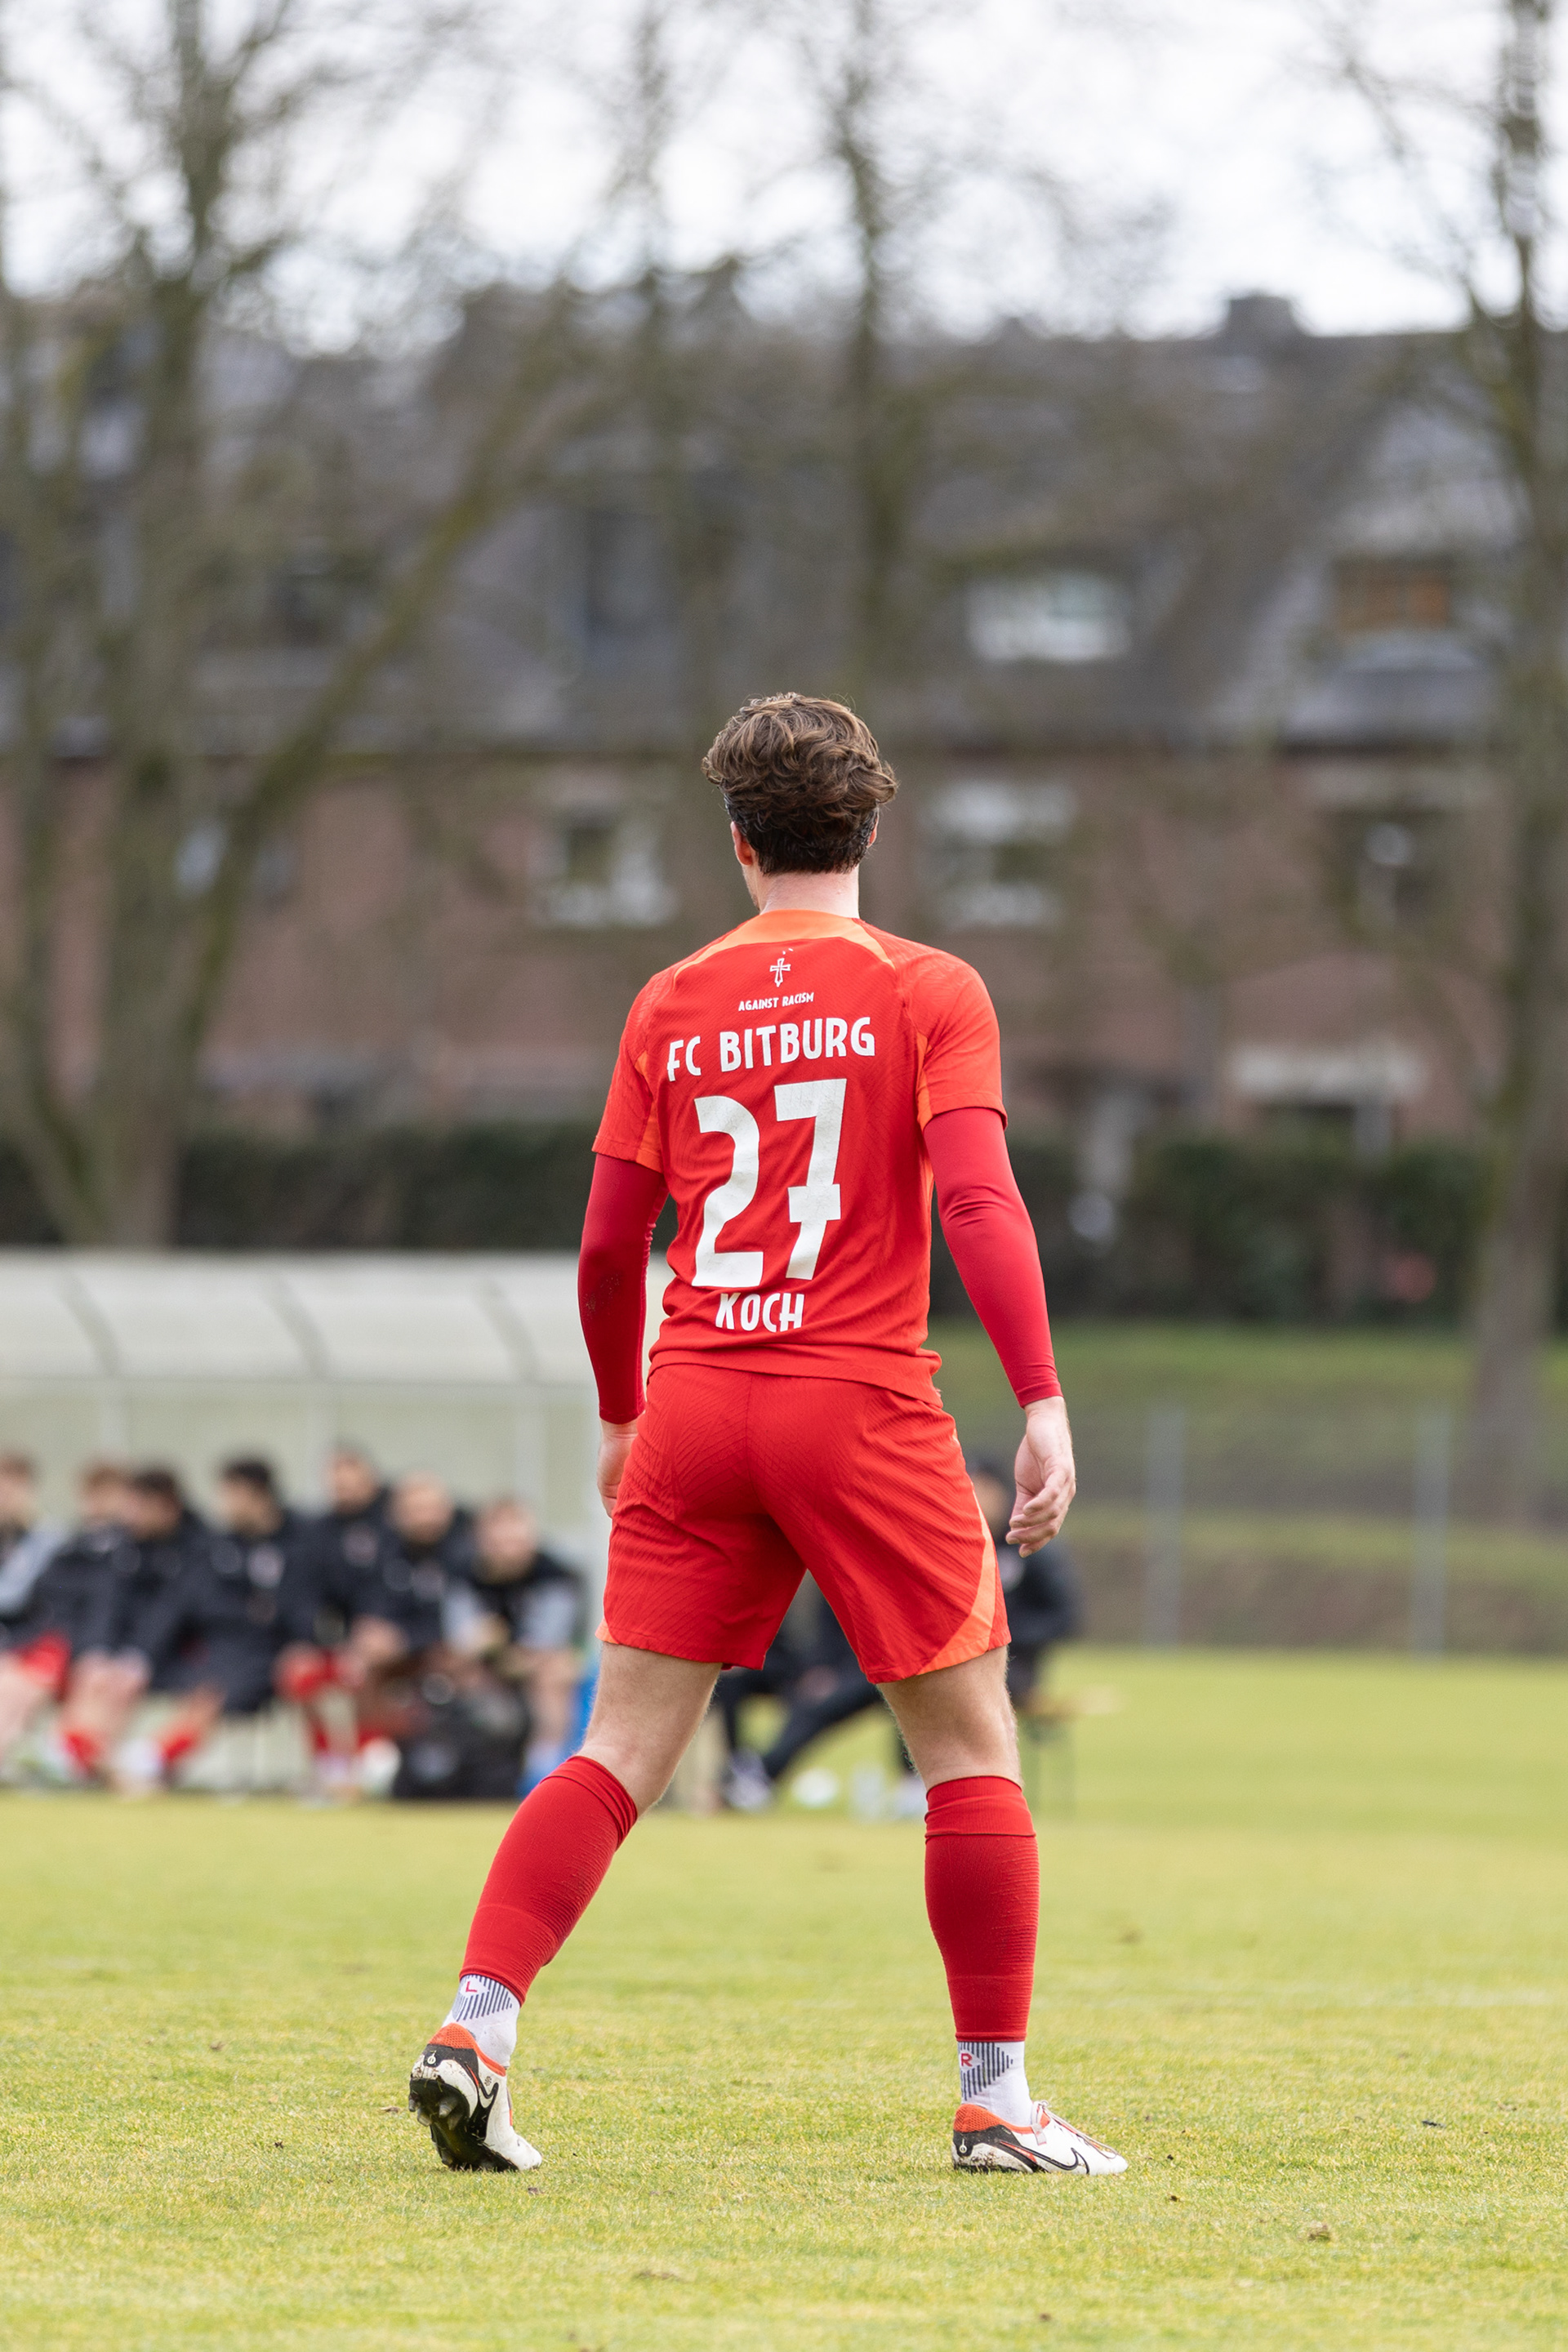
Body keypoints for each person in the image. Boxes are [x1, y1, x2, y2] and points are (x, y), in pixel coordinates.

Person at [408, 691, 1124, 2180]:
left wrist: (621, 1416)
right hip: (855, 1397)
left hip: (696, 1395)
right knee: (970, 1746)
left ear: (739, 845)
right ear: (870, 831)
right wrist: (1043, 1399)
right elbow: (978, 1202)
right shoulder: (930, 987)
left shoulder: (670, 998)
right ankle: (996, 2095)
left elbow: (611, 1251)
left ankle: (477, 2023)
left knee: (616, 1747)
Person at [114, 1457, 319, 1793]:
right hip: (223, 1649)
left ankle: (147, 1761)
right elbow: (183, 1605)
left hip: (273, 1653)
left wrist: (299, 1636)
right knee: (201, 1685)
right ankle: (147, 1761)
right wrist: (141, 1655)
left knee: (218, 1690)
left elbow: (304, 1606)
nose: (223, 1504)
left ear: (258, 1496)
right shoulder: (218, 1547)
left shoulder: (299, 1543)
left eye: (231, 1495)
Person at [279, 1470, 467, 1793]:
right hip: (388, 1660)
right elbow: (366, 1606)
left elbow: (460, 1621)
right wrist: (365, 1637)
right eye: (415, 1508)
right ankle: (343, 1770)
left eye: (431, 1507)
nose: (425, 1517)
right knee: (310, 1672)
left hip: (444, 1658)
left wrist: (404, 1640)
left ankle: (392, 1763)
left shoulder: (465, 1554)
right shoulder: (384, 1555)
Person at [42, 1465, 212, 1784]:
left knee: (124, 1685)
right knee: (95, 1678)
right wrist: (97, 1651)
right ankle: (78, 1758)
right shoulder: (126, 1544)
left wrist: (139, 1657)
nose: (129, 1514)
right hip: (128, 1649)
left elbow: (173, 1612)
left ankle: (92, 1759)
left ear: (164, 1506)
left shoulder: (199, 1547)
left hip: (180, 1653)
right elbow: (107, 1603)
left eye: (138, 1506)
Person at [0, 1461, 127, 1777]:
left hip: (90, 1649)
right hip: (52, 1643)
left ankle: (70, 1758)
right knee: (12, 1686)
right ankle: (65, 1758)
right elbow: (48, 1601)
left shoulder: (53, 1542)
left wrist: (97, 1650)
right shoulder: (72, 1548)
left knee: (21, 1687)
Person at [451, 1499, 586, 1793]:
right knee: (454, 1669)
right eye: (498, 1541)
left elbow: (549, 1642)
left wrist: (500, 1649)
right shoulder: (465, 1574)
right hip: (487, 1666)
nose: (508, 1549)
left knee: (555, 1675)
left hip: (537, 1664)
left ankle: (543, 1775)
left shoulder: (555, 1575)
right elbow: (461, 1639)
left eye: (515, 1539)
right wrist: (483, 1645)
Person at [969, 1460, 1083, 1708]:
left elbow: (1065, 1617)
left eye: (982, 1489)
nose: (976, 1499)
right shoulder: (956, 1546)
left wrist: (1003, 1635)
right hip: (958, 1656)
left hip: (1015, 1665)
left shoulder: (1030, 1542)